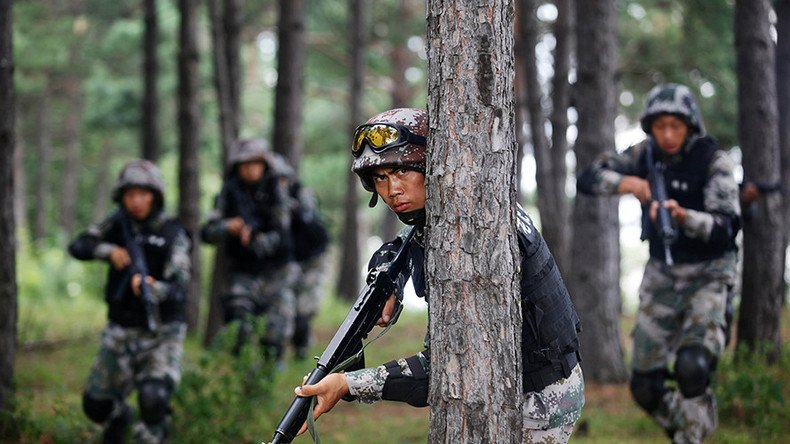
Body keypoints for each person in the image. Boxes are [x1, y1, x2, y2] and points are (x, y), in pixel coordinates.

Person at [294, 108, 585, 443]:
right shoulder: (469, 204)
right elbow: (403, 243)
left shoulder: (475, 238)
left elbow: (445, 371)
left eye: (402, 170)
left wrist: (348, 384)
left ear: (431, 166)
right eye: (381, 178)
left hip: (538, 403)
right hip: (523, 386)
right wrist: (386, 276)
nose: (393, 190)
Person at [576, 83, 741, 443]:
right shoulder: (643, 155)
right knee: (645, 385)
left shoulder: (713, 161)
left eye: (676, 126)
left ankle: (692, 435)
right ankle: (687, 427)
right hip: (662, 272)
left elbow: (726, 228)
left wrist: (684, 217)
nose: (667, 135)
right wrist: (629, 183)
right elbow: (587, 179)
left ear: (690, 125)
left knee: (692, 367)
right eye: (660, 126)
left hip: (709, 273)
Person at [68, 159, 191, 444]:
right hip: (121, 328)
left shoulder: (172, 232)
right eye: (130, 194)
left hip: (162, 331)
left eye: (143, 193)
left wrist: (153, 288)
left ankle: (154, 434)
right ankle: (121, 417)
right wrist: (108, 250)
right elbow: (79, 246)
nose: (136, 201)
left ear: (155, 195)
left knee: (153, 398)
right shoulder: (116, 223)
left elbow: (180, 286)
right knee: (96, 406)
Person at [201, 138, 297, 364]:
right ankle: (239, 375)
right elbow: (207, 232)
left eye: (255, 163)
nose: (250, 169)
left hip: (277, 270)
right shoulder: (229, 192)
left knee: (275, 333)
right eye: (245, 164)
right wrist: (228, 227)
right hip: (243, 271)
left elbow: (282, 231)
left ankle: (269, 380)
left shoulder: (276, 189)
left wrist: (256, 237)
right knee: (238, 326)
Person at [287, 181, 330, 360]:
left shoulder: (300, 198)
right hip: (293, 262)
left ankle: (302, 348)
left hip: (313, 261)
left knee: (304, 310)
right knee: (293, 310)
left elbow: (314, 231)